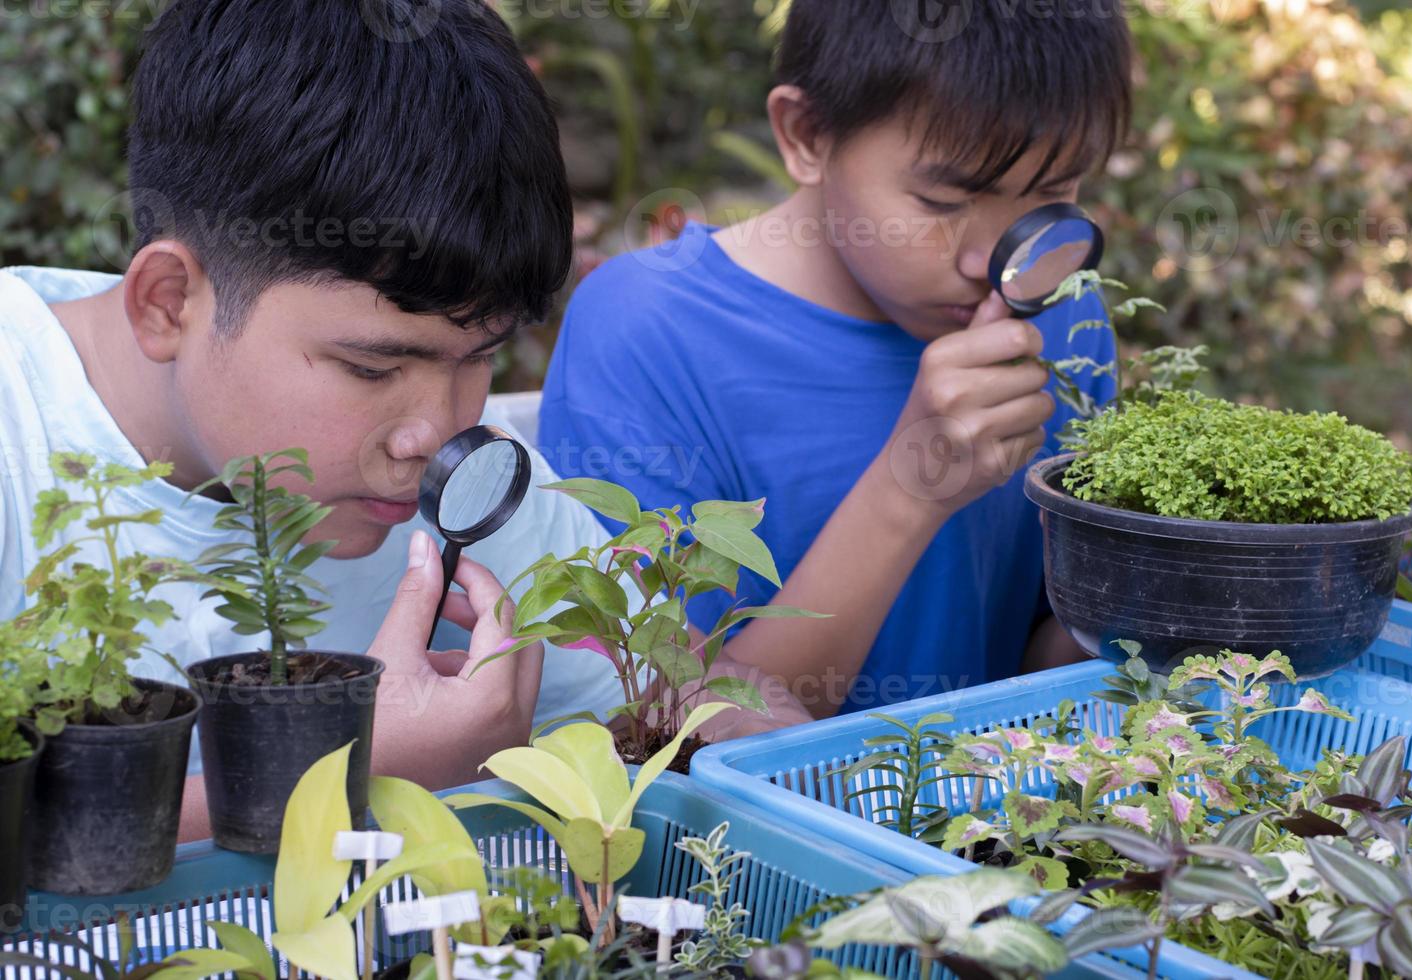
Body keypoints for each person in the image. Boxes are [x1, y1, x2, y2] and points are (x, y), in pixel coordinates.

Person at [0, 0, 797, 843]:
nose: (435, 434)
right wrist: (359, 773)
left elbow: (707, 707)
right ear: (170, 301)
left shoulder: (486, 497)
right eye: (373, 368)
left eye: (478, 357)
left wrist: (708, 729)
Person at [539, 0, 1133, 718]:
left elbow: (1043, 669)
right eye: (943, 201)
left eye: (1051, 197)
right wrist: (909, 491)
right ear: (807, 134)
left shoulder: (1061, 314)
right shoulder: (643, 332)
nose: (992, 261)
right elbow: (669, 736)